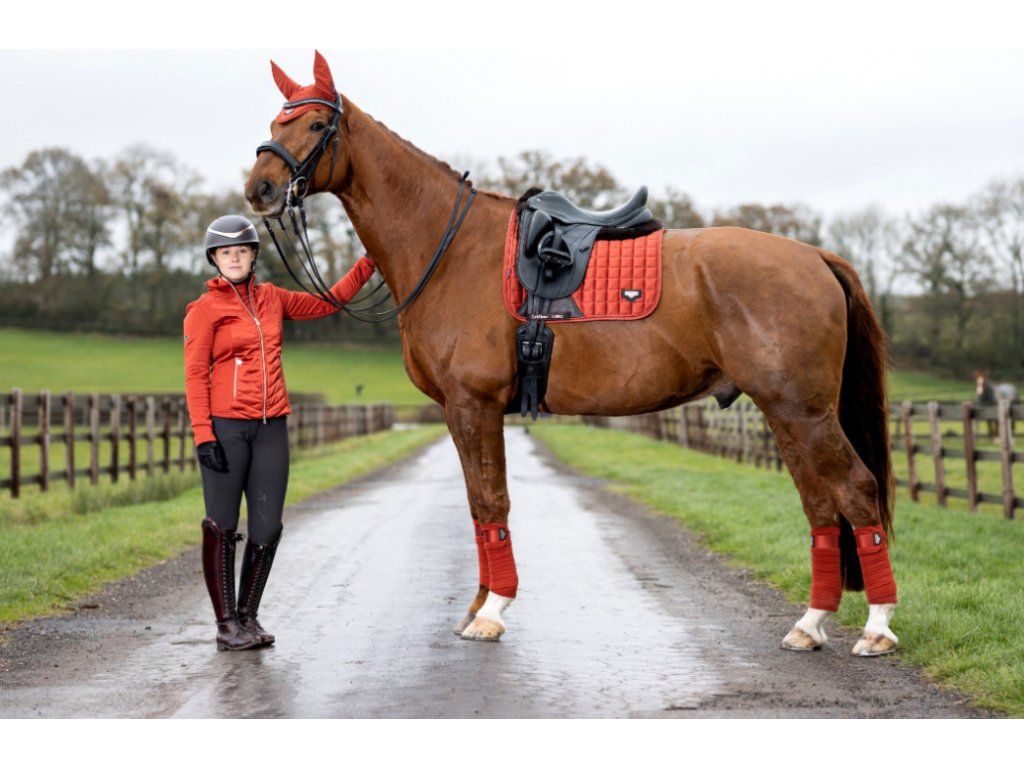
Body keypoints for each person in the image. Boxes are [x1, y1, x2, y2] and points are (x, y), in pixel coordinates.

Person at [184, 214, 375, 650]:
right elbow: (194, 377)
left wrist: (368, 262)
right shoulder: (204, 310)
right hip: (226, 428)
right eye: (226, 253)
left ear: (253, 255)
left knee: (267, 527)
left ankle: (248, 616)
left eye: (242, 251)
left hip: (271, 427)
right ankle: (226, 625)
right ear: (214, 259)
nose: (235, 259)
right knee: (222, 525)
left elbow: (328, 302)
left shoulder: (272, 298)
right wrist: (204, 435)